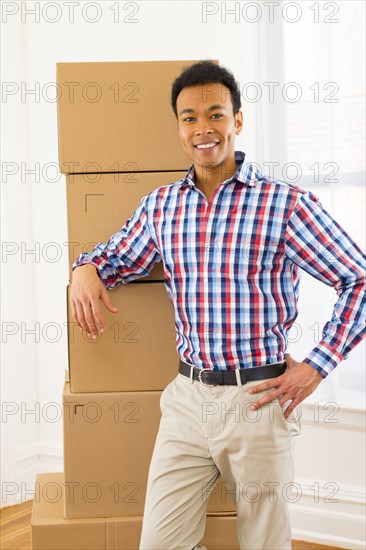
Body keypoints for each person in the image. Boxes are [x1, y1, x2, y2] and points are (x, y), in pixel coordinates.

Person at [70, 61, 365, 550]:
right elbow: (115, 257)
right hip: (186, 398)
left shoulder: (285, 204)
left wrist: (316, 367)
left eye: (215, 114)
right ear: (179, 128)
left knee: (264, 543)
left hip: (257, 399)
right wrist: (84, 268)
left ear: (238, 121)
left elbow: (358, 280)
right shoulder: (161, 206)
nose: (203, 129)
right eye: (189, 118)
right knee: (161, 544)